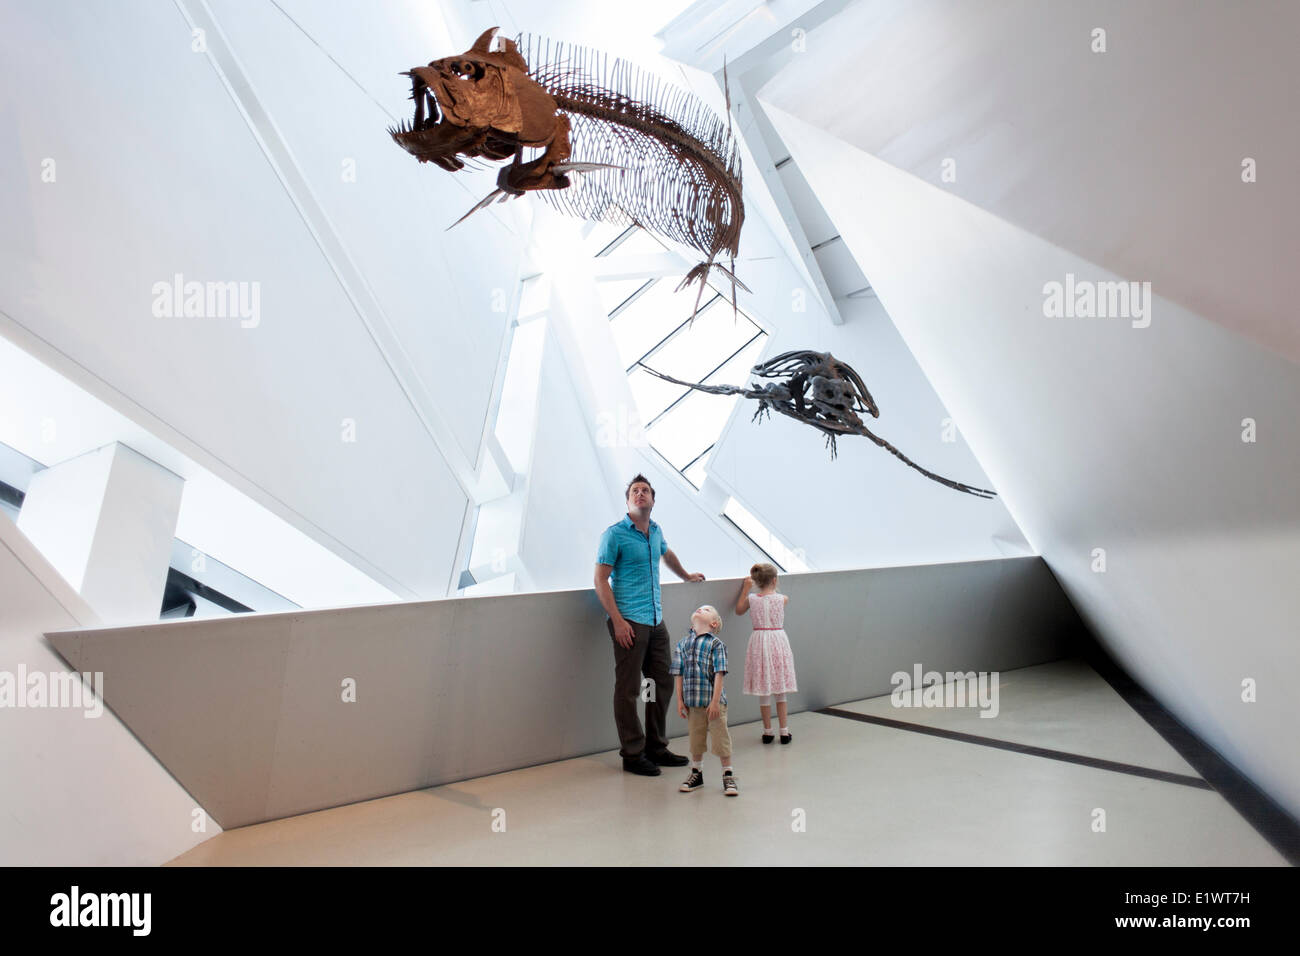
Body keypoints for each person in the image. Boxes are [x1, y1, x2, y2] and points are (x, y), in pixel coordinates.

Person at [595, 474, 706, 776]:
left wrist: (685, 575)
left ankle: (655, 747)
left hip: (656, 622)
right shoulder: (615, 534)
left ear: (653, 500)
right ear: (628, 501)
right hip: (629, 622)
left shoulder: (655, 531)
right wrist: (617, 622)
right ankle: (633, 754)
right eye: (635, 491)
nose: (640, 494)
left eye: (645, 491)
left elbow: (666, 554)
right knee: (628, 689)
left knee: (659, 683)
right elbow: (600, 579)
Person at [671, 605, 737, 796]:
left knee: (720, 738)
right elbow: (678, 674)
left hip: (713, 703)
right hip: (693, 703)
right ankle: (696, 773)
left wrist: (715, 701)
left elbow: (719, 673)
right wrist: (680, 701)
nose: (701, 609)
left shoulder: (716, 644)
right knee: (695, 738)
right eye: (699, 608)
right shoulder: (682, 644)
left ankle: (728, 775)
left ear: (713, 623)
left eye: (706, 610)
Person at [735, 562, 797, 744]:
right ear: (774, 580)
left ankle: (767, 731)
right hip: (778, 639)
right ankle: (784, 731)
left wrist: (745, 590)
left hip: (759, 641)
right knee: (780, 688)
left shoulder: (752, 599)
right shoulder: (783, 599)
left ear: (756, 581)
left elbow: (738, 610)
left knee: (764, 688)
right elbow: (778, 599)